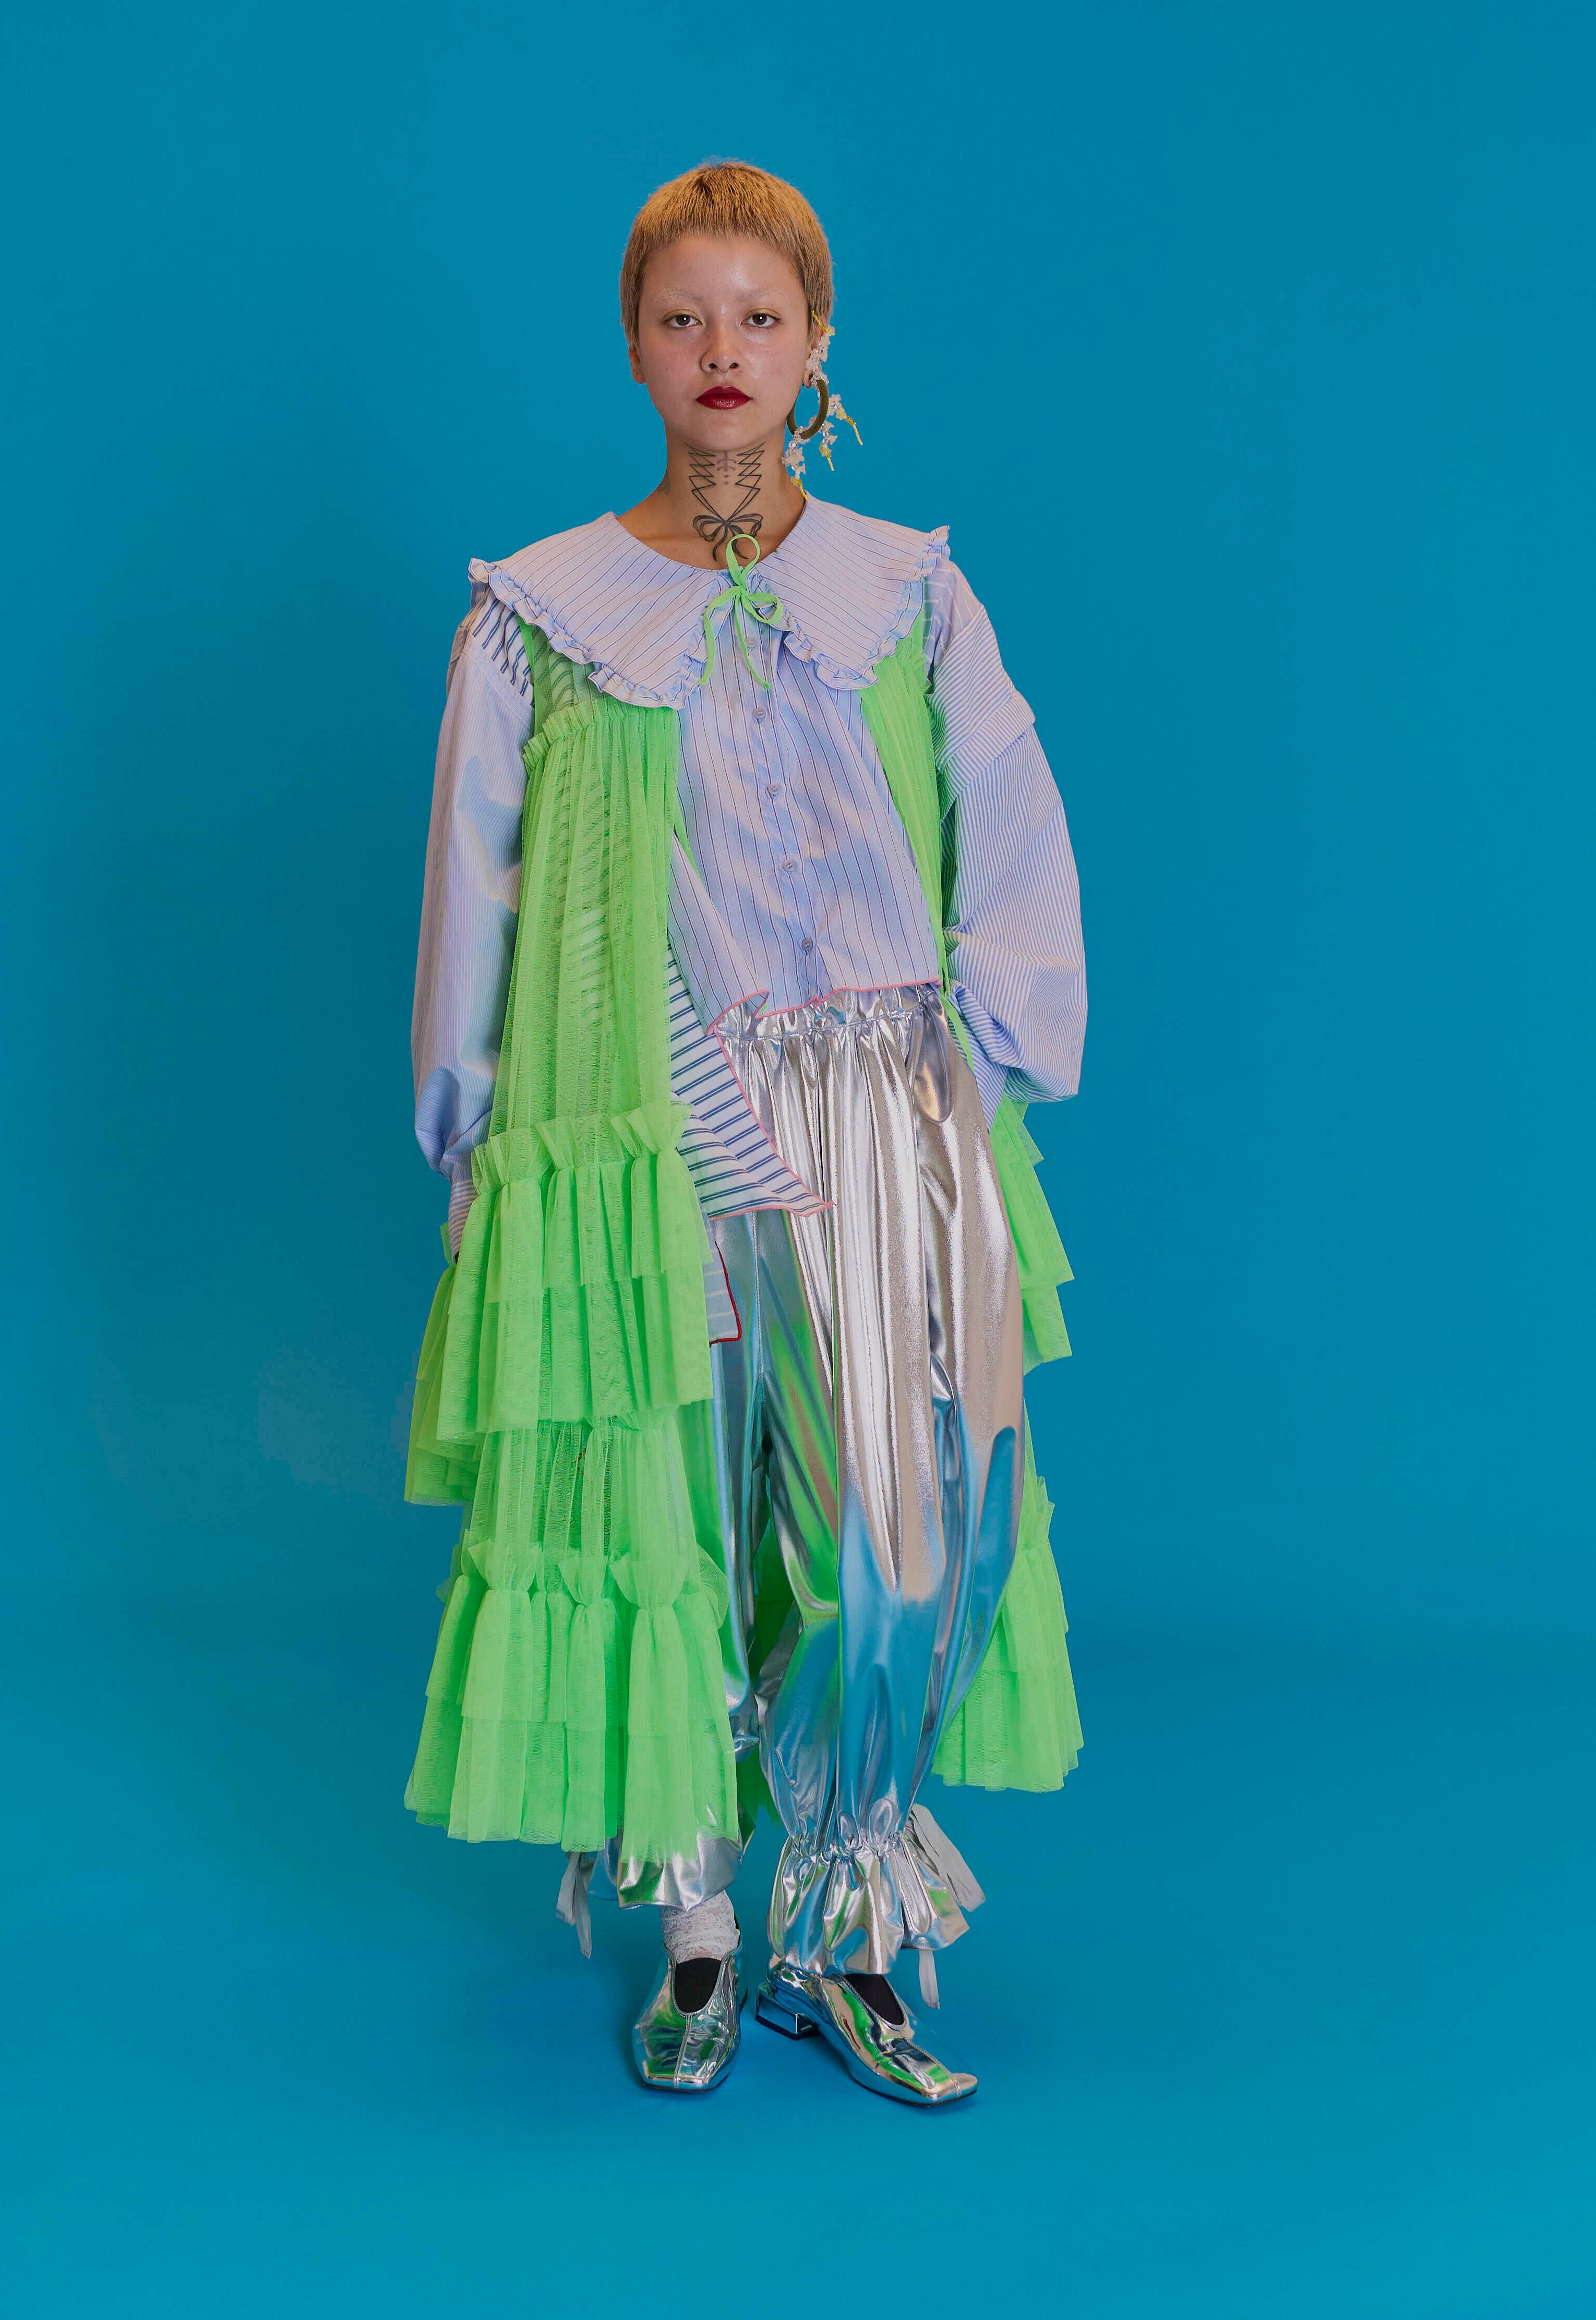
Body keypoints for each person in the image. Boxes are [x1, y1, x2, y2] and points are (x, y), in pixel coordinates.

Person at [404, 159, 1086, 2105]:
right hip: (651, 1118)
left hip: (891, 1102)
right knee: (672, 1519)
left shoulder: (905, 591)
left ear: (816, 346)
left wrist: (983, 1060)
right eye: (684, 317)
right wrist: (480, 1147)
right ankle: (702, 1925)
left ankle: (839, 1920)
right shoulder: (545, 618)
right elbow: (477, 897)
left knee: (909, 1538)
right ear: (634, 347)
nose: (724, 350)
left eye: (760, 318)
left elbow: (1009, 816)